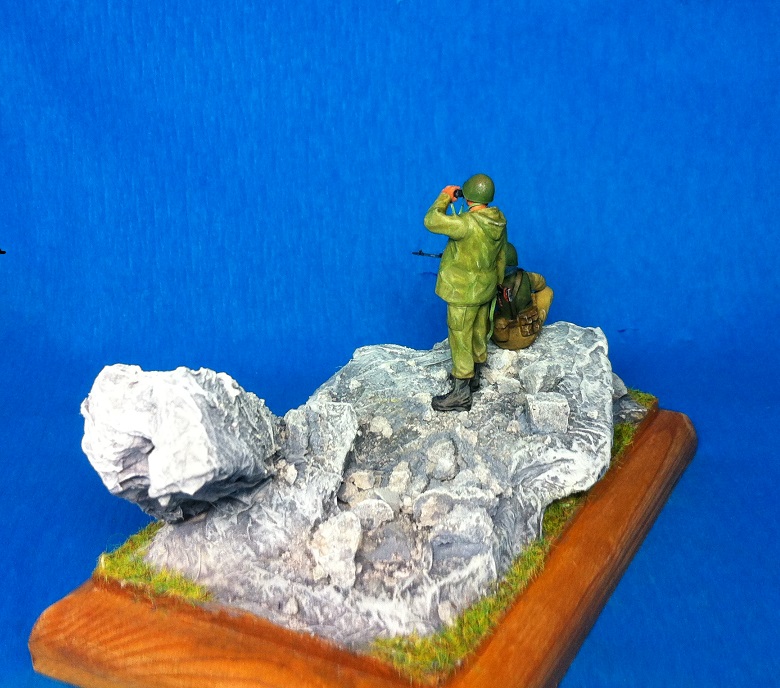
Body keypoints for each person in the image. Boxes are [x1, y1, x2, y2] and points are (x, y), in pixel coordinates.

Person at [424, 173, 507, 412]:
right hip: (485, 288)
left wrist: (444, 197)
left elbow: (431, 220)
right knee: (479, 331)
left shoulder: (465, 224)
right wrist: (496, 284)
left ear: (467, 196)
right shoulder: (498, 221)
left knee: (460, 336)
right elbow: (501, 257)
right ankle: (475, 377)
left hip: (462, 292)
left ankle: (461, 393)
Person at [491, 243, 553, 350]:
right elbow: (542, 283)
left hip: (501, 339)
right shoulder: (528, 277)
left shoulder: (491, 284)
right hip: (527, 334)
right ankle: (540, 316)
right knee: (547, 292)